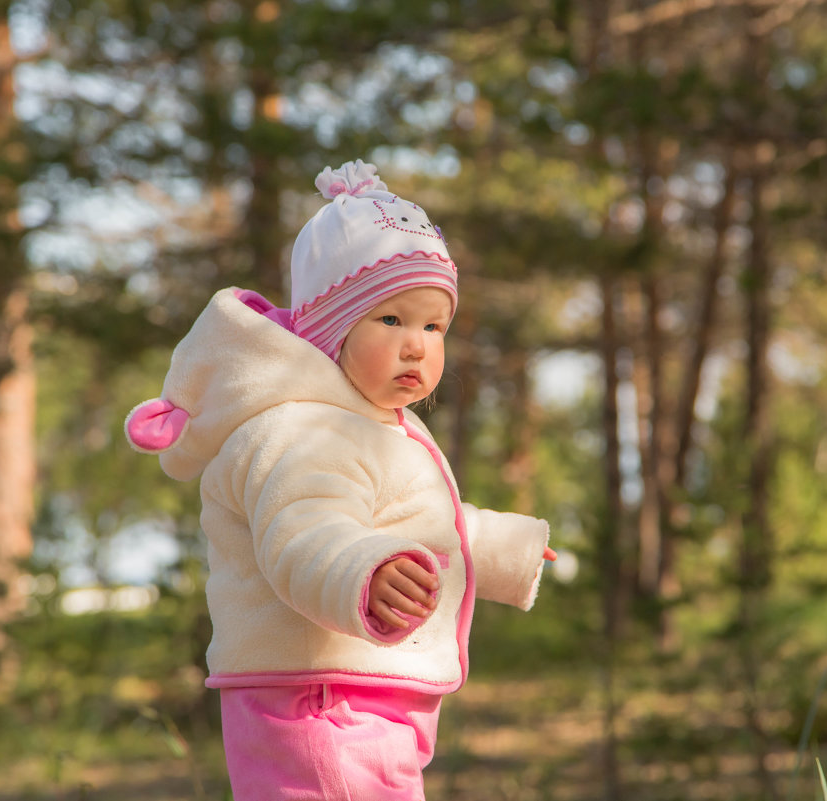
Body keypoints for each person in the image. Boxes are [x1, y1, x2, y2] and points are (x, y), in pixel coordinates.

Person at [124, 160, 554, 800]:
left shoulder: (372, 425)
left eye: (434, 326)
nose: (417, 346)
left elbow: (403, 513)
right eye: (391, 320)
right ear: (331, 330)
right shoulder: (300, 432)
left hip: (354, 688)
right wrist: (365, 572)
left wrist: (494, 547)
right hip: (318, 700)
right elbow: (304, 534)